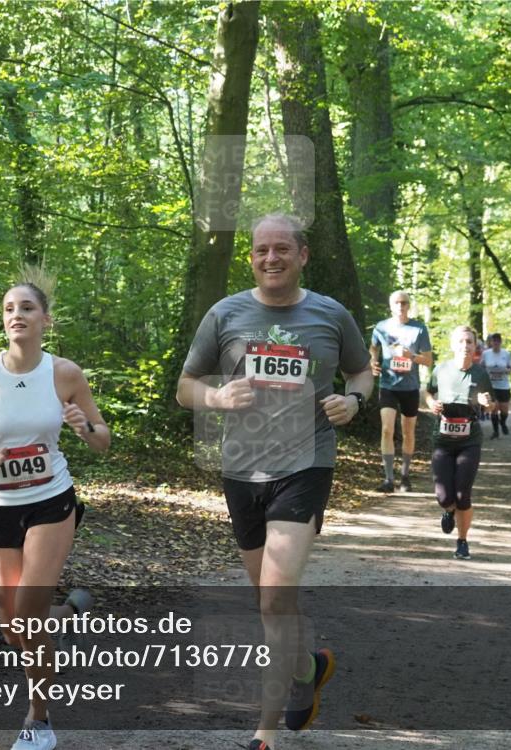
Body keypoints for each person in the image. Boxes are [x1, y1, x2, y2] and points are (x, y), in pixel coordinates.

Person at [176, 213, 372, 750]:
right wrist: (215, 397)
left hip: (306, 463)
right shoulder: (226, 313)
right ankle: (306, 668)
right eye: (261, 250)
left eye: (281, 249)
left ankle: (264, 733)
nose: (270, 258)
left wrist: (353, 400)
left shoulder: (330, 315)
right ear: (252, 257)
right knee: (269, 599)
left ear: (302, 255)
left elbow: (362, 370)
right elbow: (185, 386)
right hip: (242, 470)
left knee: (274, 598)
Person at [0, 281, 110, 750]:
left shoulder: (65, 373)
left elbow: (102, 440)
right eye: (8, 308)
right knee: (13, 627)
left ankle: (38, 720)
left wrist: (84, 426)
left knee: (26, 614)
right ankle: (64, 616)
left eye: (26, 307)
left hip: (50, 501)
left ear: (45, 319)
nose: (16, 314)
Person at [426, 327, 494, 560]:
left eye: (469, 341)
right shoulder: (441, 369)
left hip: (469, 441)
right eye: (461, 341)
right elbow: (428, 393)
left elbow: (491, 404)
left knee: (463, 493)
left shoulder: (481, 374)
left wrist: (487, 403)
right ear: (453, 344)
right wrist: (431, 403)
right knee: (444, 496)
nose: (465, 345)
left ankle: (462, 541)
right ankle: (449, 511)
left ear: (475, 347)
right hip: (442, 440)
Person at [369, 291, 433, 493]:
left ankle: (405, 476)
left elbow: (429, 360)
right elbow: (373, 347)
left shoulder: (419, 328)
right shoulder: (381, 327)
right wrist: (372, 361)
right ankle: (388, 479)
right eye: (396, 302)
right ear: (391, 305)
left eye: (404, 302)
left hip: (410, 387)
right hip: (388, 385)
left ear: (408, 305)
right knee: (387, 429)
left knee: (408, 431)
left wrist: (411, 356)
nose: (400, 306)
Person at [482, 333, 511, 439]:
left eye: (498, 341)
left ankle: (503, 422)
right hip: (491, 386)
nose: (496, 343)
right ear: (491, 342)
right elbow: (481, 367)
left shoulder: (506, 354)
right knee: (494, 408)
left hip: (504, 386)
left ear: (500, 342)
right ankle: (495, 431)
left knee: (504, 410)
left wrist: (506, 370)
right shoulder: (486, 354)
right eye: (494, 341)